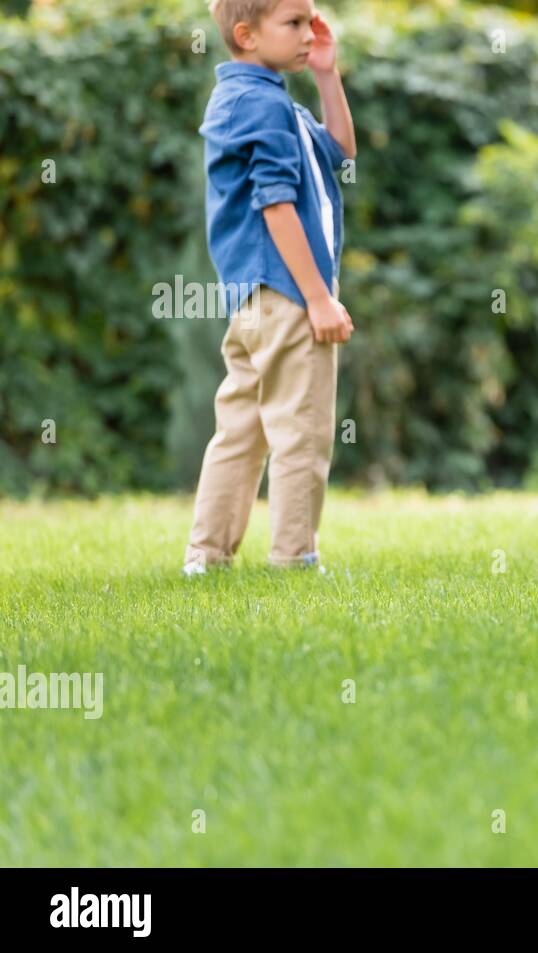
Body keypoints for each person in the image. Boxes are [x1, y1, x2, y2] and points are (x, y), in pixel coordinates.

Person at [183, 0, 357, 575]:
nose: (309, 33)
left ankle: (206, 557)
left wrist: (328, 74)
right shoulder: (264, 106)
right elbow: (276, 204)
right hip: (288, 294)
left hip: (254, 299)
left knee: (241, 430)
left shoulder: (261, 98)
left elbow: (339, 152)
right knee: (301, 433)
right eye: (293, 24)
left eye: (310, 21)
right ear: (246, 35)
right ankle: (295, 559)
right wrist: (317, 299)